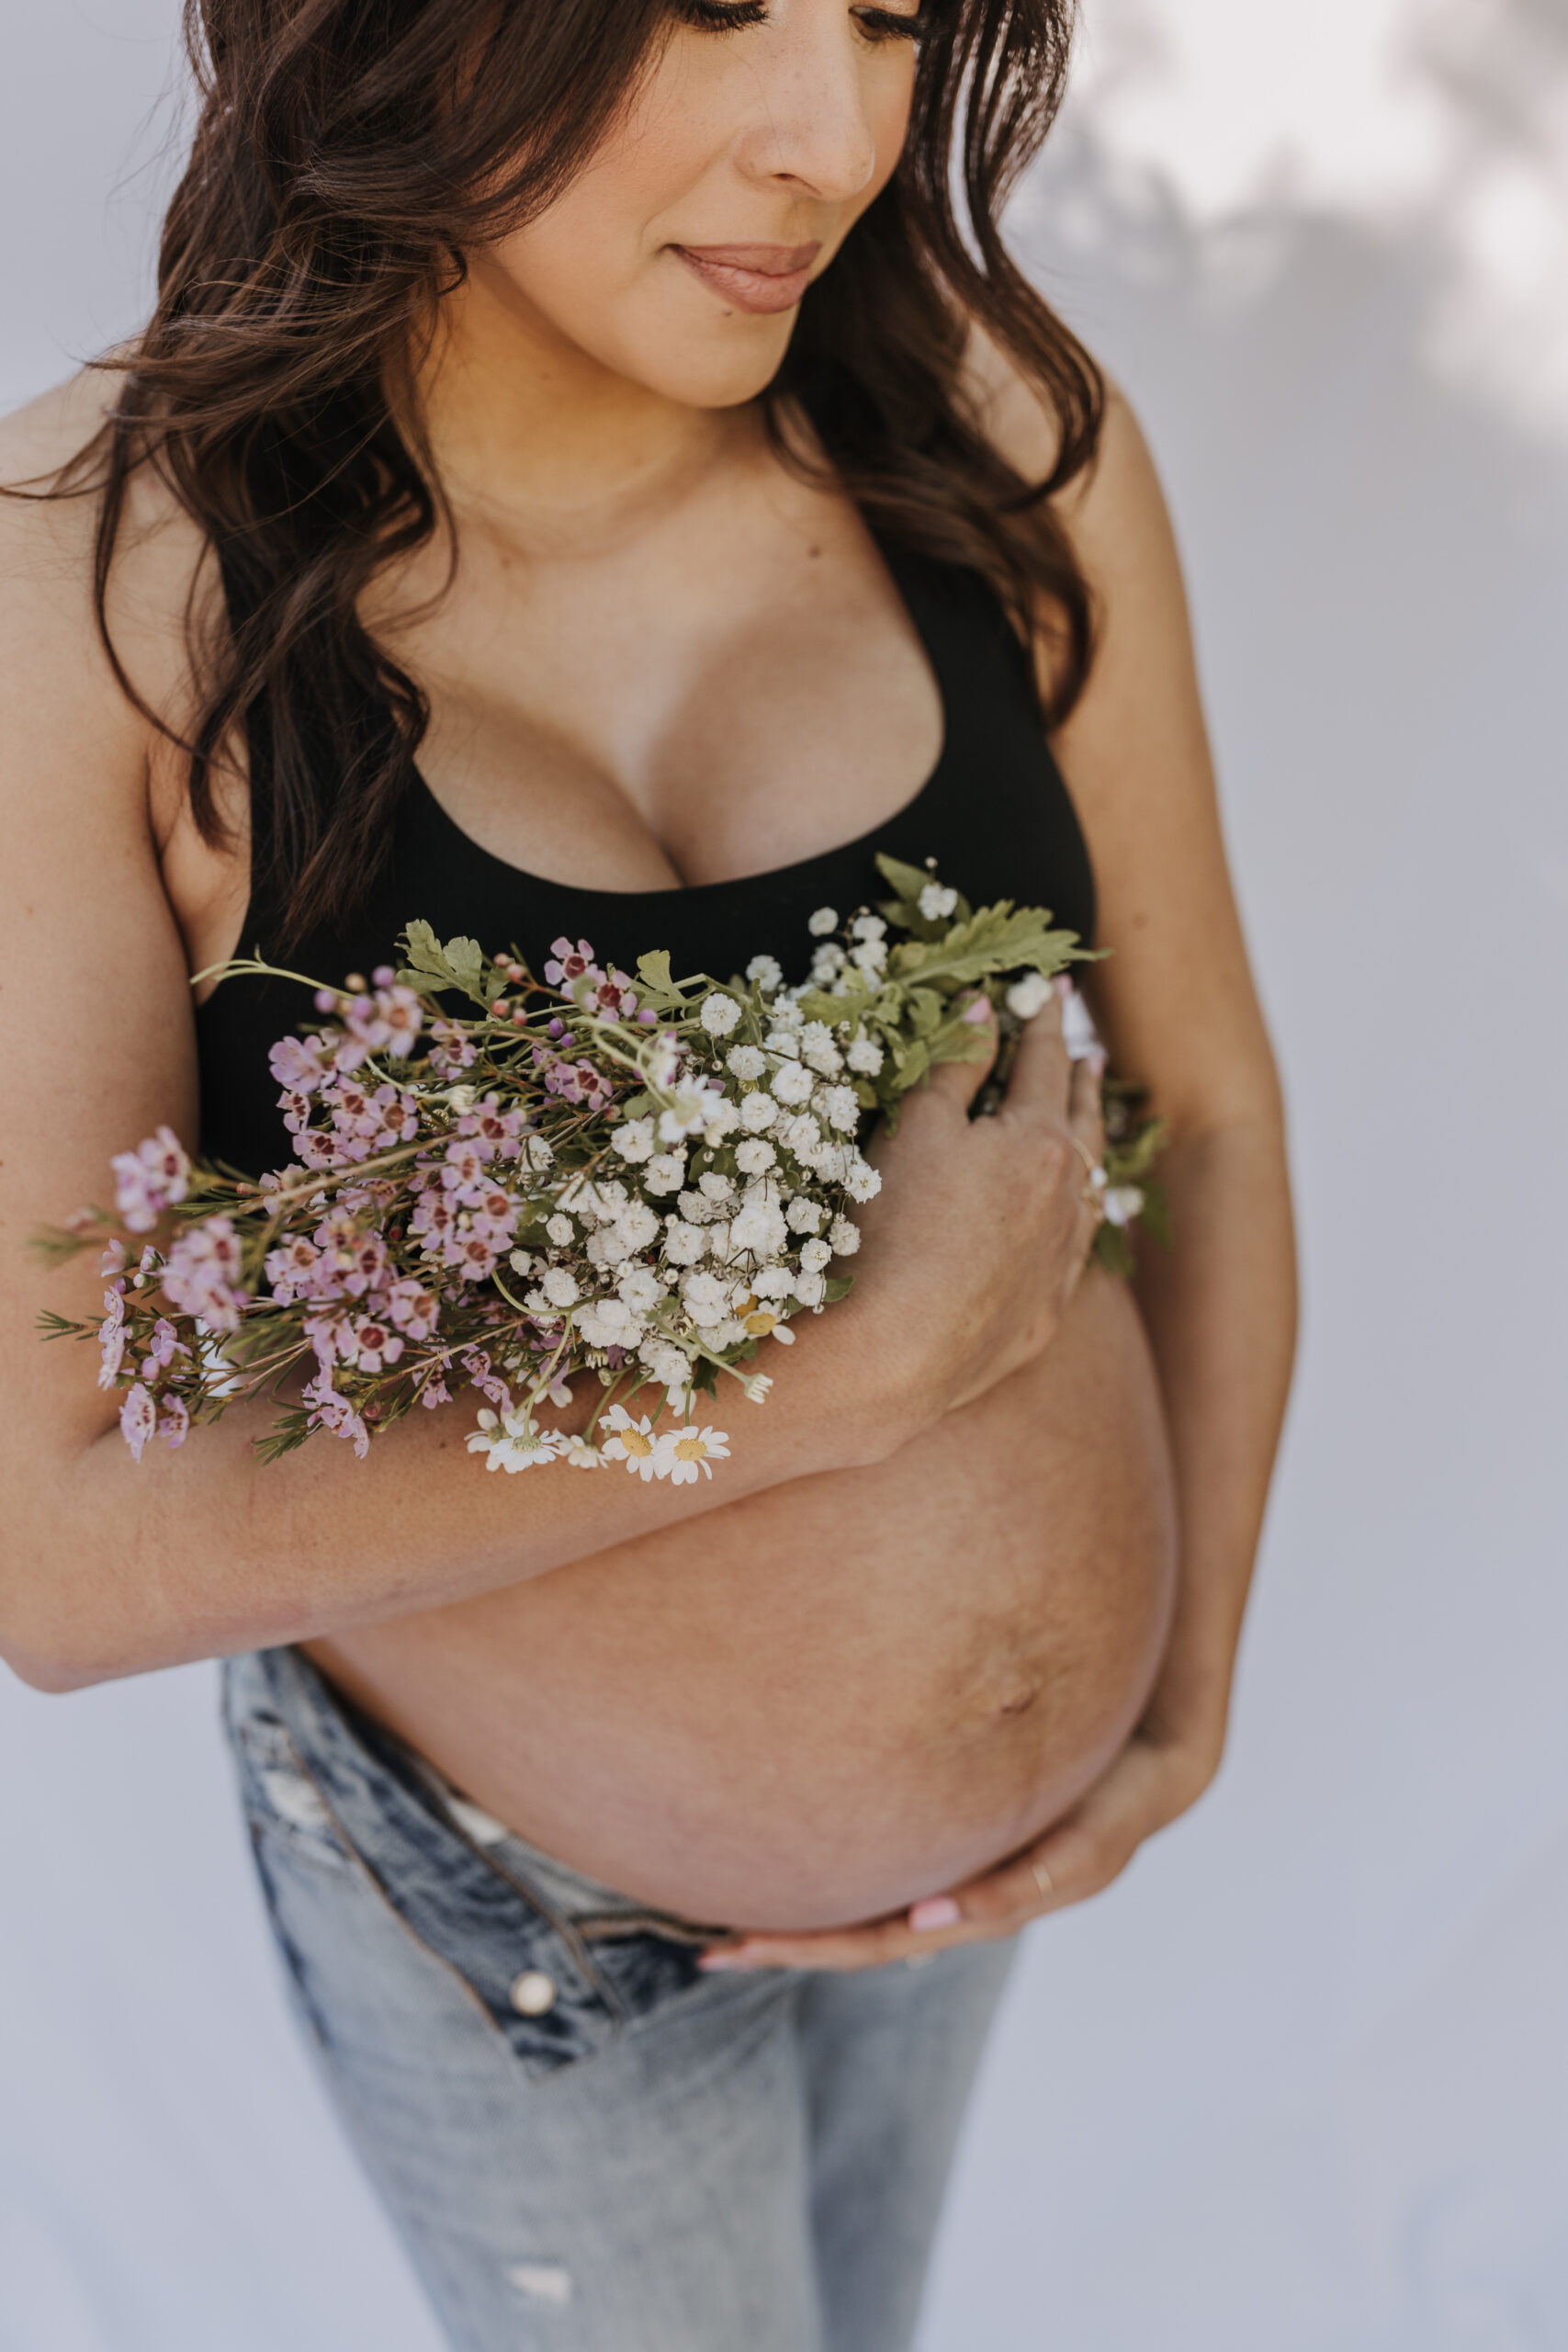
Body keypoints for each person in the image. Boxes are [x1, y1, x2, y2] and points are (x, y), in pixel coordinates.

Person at [0, 2, 1296, 2346]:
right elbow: (55, 1545)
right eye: (713, 9)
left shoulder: (985, 433)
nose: (829, 138)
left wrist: (1179, 1694)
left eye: (891, 16)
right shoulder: (86, 597)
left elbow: (1193, 1092)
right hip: (523, 1930)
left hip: (984, 1872)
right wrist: (831, 1385)